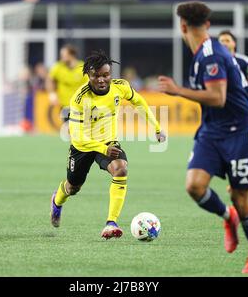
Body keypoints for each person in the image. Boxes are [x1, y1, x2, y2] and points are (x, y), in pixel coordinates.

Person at [158, 1, 248, 274]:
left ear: (182, 26)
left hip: (241, 132)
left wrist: (178, 90)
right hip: (211, 131)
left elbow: (218, 98)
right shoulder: (200, 55)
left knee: (241, 197)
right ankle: (226, 217)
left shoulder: (211, 55)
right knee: (194, 186)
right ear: (207, 25)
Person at [50, 50, 166, 239]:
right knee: (73, 188)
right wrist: (103, 148)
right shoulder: (79, 99)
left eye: (106, 75)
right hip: (83, 147)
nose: (102, 80)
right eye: (97, 76)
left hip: (108, 142)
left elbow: (139, 102)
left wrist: (157, 127)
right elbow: (78, 138)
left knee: (121, 169)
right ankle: (56, 201)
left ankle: (111, 223)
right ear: (88, 75)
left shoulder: (120, 87)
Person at [46, 44, 89, 124]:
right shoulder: (58, 67)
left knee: (80, 129)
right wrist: (52, 93)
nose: (62, 57)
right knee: (68, 127)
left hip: (80, 105)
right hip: (64, 105)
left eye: (64, 55)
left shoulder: (82, 67)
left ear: (72, 55)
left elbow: (90, 84)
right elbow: (50, 79)